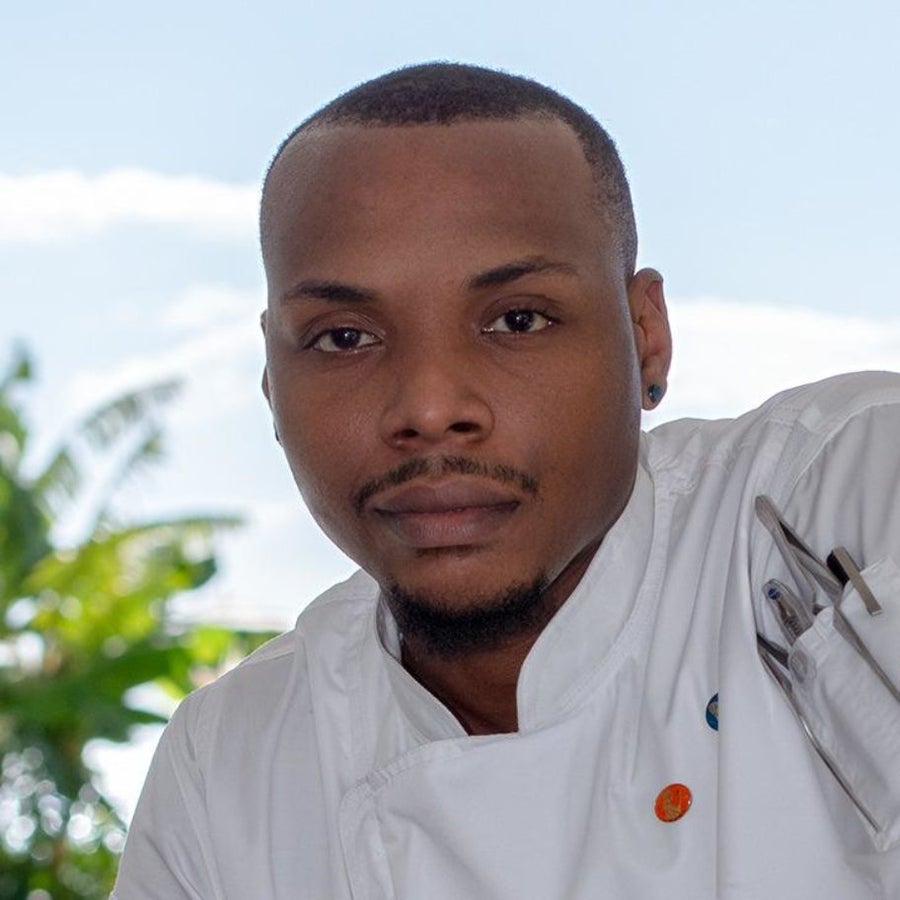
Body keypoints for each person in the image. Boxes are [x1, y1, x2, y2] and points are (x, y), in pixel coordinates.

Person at [112, 63, 900, 899]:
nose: (430, 408)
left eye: (518, 320)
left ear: (646, 338)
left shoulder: (835, 496)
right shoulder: (231, 767)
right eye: (344, 338)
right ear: (273, 386)